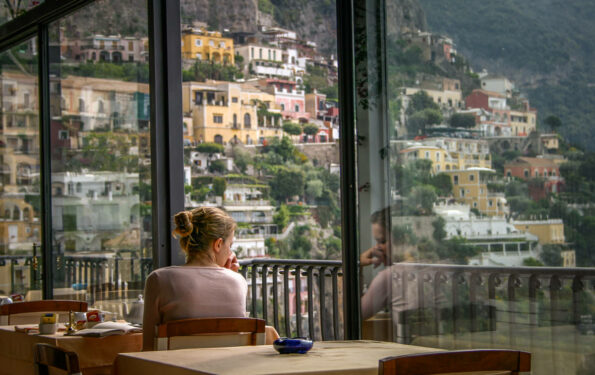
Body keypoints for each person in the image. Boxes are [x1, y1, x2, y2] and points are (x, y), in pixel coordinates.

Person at [142, 207, 246, 350]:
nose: (230, 252)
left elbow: (148, 346)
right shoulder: (239, 282)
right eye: (230, 245)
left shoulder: (159, 279)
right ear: (218, 244)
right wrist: (228, 275)